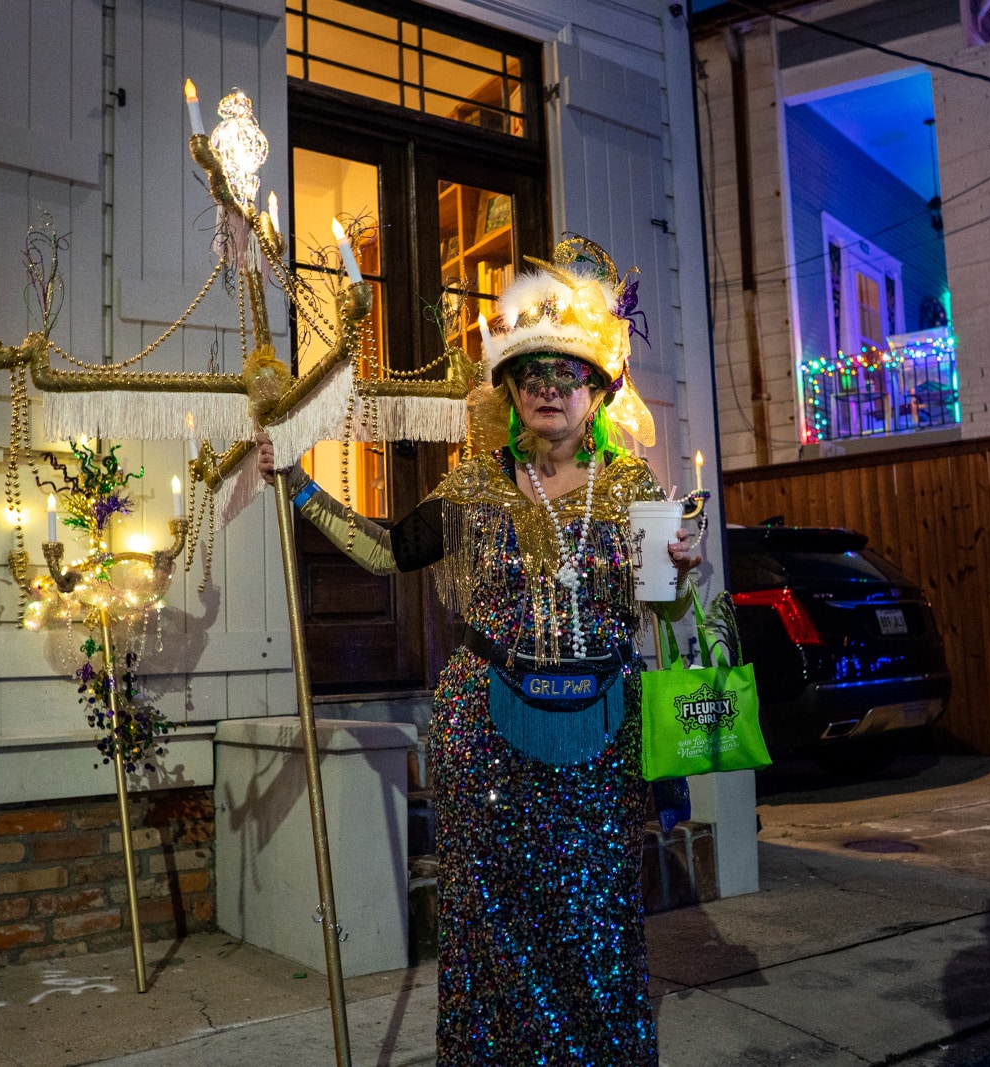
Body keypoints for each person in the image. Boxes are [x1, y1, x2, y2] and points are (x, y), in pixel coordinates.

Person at [258, 237, 699, 1066]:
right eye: (531, 372)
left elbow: (661, 607)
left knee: (595, 913)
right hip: (485, 736)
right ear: (507, 387)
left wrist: (681, 570)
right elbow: (389, 550)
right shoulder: (470, 483)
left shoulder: (636, 488)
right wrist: (301, 487)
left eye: (567, 373)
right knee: (495, 915)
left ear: (599, 389)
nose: (548, 387)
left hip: (602, 740)